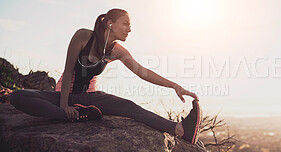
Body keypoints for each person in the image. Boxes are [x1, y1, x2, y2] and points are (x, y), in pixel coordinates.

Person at [9, 8, 202, 145]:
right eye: (125, 24)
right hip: (63, 97)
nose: (129, 29)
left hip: (91, 99)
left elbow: (143, 72)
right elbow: (68, 71)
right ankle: (76, 115)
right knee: (18, 96)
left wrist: (174, 85)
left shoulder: (117, 51)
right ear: (110, 23)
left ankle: (179, 129)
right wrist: (64, 106)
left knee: (129, 107)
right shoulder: (83, 36)